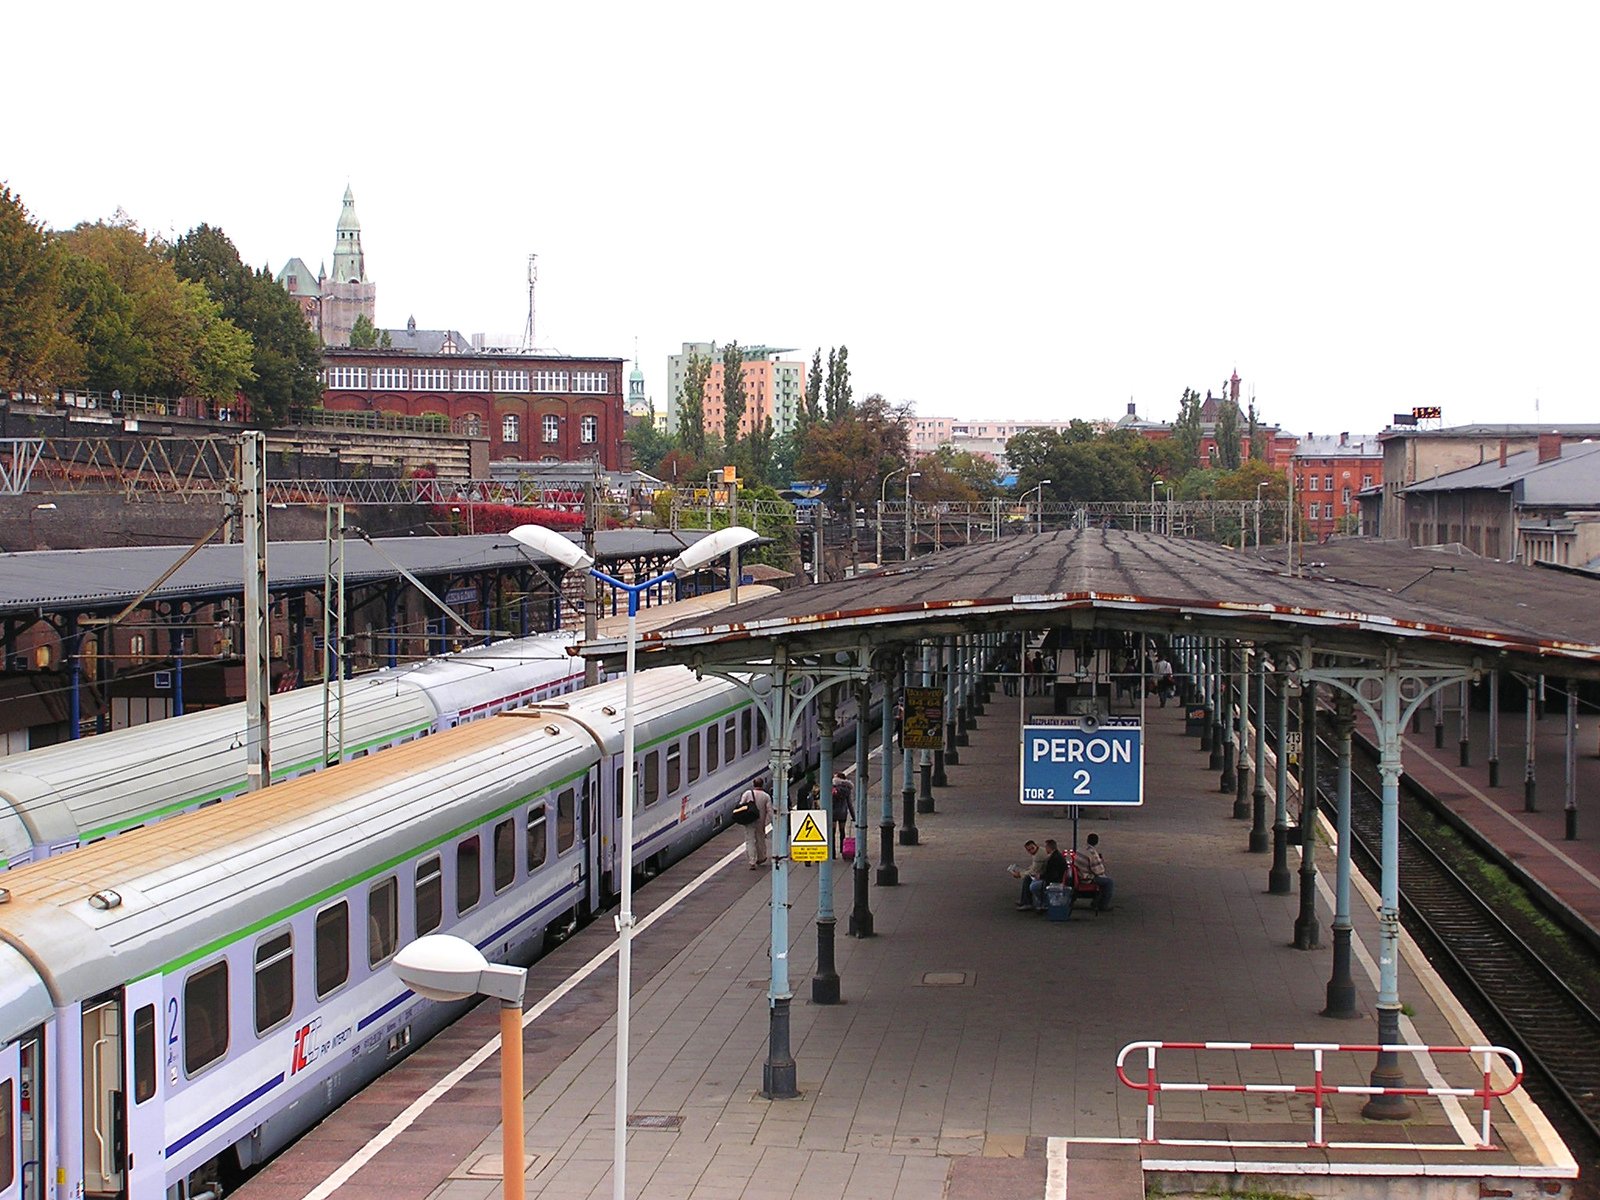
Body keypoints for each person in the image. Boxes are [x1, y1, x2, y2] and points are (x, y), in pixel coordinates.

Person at [739, 777, 772, 869]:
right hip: (760, 822)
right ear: (762, 785)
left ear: (753, 785)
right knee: (760, 840)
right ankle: (761, 857)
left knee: (750, 841)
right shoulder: (766, 796)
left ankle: (752, 861)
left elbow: (741, 805)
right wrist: (773, 821)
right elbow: (770, 811)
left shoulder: (747, 794)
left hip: (749, 821)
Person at [1030, 839, 1069, 912]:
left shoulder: (1054, 859)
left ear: (1049, 848)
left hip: (1055, 881)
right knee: (1033, 882)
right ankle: (1042, 903)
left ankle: (1045, 903)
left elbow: (1053, 875)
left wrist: (1041, 876)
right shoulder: (1055, 856)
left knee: (1033, 887)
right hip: (1054, 878)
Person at [1078, 832, 1113, 910]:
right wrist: (1100, 861)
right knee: (1109, 882)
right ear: (1097, 842)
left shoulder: (1080, 849)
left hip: (1079, 874)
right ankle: (1103, 905)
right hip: (1086, 878)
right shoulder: (1092, 854)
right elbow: (1099, 870)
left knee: (1103, 881)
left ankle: (1096, 902)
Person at [1010, 839, 1049, 909]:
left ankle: (1027, 902)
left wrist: (1020, 874)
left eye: (1032, 848)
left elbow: (1034, 871)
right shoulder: (1039, 851)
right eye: (1029, 850)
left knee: (1027, 879)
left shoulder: (1039, 855)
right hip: (1044, 873)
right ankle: (1025, 900)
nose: (1031, 851)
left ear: (1036, 846)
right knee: (1027, 878)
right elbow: (1034, 866)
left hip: (1045, 876)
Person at [831, 772, 855, 857]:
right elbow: (849, 804)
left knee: (832, 833)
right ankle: (842, 849)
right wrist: (853, 816)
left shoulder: (833, 789)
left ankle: (832, 852)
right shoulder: (847, 789)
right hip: (843, 813)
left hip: (833, 813)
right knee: (842, 831)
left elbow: (830, 802)